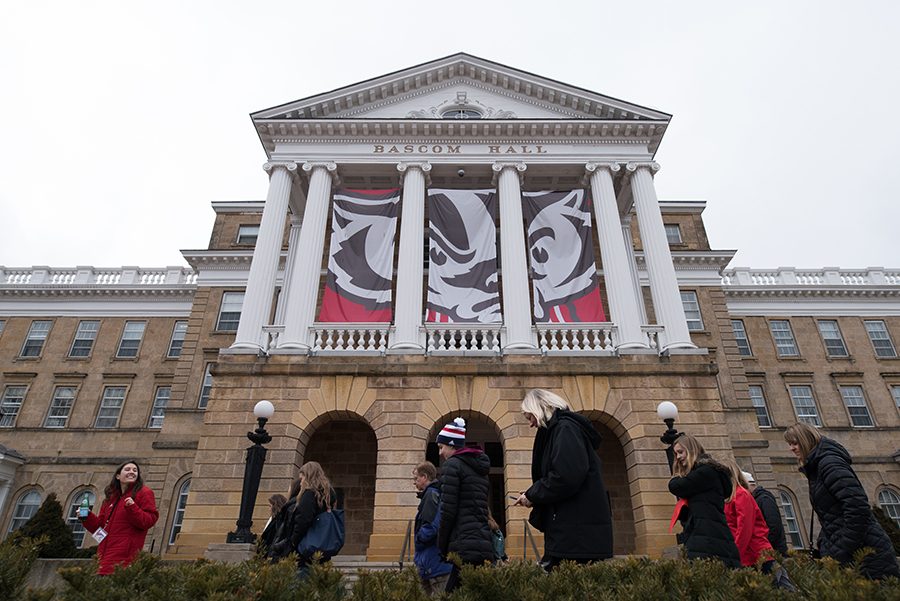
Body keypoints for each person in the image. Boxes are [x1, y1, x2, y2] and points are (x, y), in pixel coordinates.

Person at [785, 422, 899, 580]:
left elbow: (858, 509)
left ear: (806, 440)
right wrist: (825, 544)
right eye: (790, 444)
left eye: (794, 443)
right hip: (853, 552)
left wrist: (841, 549)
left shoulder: (830, 464)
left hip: (866, 554)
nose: (791, 448)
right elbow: (831, 516)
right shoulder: (818, 467)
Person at [513, 389, 612, 570]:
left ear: (539, 409)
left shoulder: (564, 429)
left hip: (574, 534)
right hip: (574, 531)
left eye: (530, 417)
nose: (531, 424)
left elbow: (565, 477)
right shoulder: (563, 430)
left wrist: (532, 495)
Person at [435, 417, 494, 593]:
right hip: (482, 542)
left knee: (453, 593)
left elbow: (448, 510)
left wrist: (442, 544)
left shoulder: (452, 466)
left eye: (441, 447)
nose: (440, 453)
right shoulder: (480, 470)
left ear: (452, 445)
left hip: (463, 543)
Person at [667, 434, 741, 568]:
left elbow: (676, 486)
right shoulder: (707, 472)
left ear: (691, 450)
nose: (677, 457)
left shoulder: (705, 472)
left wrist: (676, 475)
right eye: (675, 453)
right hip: (710, 535)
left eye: (680, 452)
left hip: (707, 537)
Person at [79, 461, 159, 575]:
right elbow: (100, 529)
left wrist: (132, 507)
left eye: (135, 470)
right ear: (117, 475)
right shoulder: (110, 498)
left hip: (125, 562)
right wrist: (86, 517)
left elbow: (148, 521)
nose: (132, 472)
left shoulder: (144, 493)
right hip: (103, 560)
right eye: (127, 469)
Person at [280, 462, 338, 576]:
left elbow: (303, 520)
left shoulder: (309, 494)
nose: (300, 482)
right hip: (322, 546)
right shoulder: (328, 494)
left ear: (308, 476)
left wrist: (292, 542)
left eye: (302, 478)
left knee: (301, 582)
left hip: (306, 548)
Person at [722, 459, 774, 569]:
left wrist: (735, 555)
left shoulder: (741, 495)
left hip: (756, 555)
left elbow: (745, 529)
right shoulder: (728, 498)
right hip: (747, 556)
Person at [412, 461, 452, 596]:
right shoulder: (434, 493)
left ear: (424, 477)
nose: (414, 482)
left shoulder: (431, 494)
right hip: (433, 562)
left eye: (416, 478)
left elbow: (431, 526)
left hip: (434, 563)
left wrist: (419, 538)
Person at [744, 470, 788, 556]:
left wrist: (764, 547)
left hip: (774, 551)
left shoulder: (764, 499)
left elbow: (774, 526)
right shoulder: (756, 499)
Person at [267, 478, 302, 562]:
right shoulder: (288, 510)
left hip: (280, 554)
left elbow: (280, 535)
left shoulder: (288, 511)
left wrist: (275, 549)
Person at [258, 493, 288, 558]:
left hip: (272, 553)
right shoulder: (275, 519)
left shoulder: (278, 520)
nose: (269, 509)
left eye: (270, 506)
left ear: (275, 506)